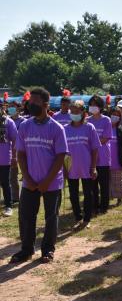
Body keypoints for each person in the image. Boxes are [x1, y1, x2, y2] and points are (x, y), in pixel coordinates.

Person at [10, 88, 67, 264]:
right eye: (29, 101)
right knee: (26, 216)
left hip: (51, 182)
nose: (30, 104)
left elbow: (60, 157)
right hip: (29, 182)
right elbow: (20, 154)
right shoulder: (25, 126)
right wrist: (27, 178)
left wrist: (47, 181)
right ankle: (26, 250)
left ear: (45, 104)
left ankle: (47, 250)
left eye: (34, 102)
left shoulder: (56, 128)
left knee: (51, 217)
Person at [64, 100, 100, 228]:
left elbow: (95, 149)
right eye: (71, 111)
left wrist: (94, 167)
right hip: (71, 167)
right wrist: (64, 168)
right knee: (73, 194)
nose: (73, 114)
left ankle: (87, 219)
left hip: (87, 166)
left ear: (83, 112)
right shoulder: (65, 129)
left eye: (76, 112)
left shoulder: (89, 128)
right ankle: (78, 217)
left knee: (87, 193)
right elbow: (63, 152)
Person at [87, 95, 112, 214]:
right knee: (92, 184)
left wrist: (93, 144)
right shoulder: (87, 120)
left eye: (95, 105)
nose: (92, 107)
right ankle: (94, 205)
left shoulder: (106, 120)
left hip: (103, 157)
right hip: (91, 158)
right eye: (91, 105)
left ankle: (104, 206)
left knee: (104, 184)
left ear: (100, 107)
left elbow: (106, 137)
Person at [109, 106, 122, 206]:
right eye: (113, 114)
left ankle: (119, 198)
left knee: (118, 180)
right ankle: (108, 197)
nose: (115, 117)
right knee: (107, 181)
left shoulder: (121, 130)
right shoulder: (105, 128)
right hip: (105, 160)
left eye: (117, 115)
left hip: (118, 160)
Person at [0, 106, 18, 216]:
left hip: (4, 158)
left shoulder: (9, 122)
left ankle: (8, 206)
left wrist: (14, 157)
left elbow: (15, 140)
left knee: (5, 183)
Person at [6, 101, 25, 204]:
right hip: (11, 150)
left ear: (19, 108)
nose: (11, 109)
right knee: (13, 175)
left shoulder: (24, 122)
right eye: (9, 107)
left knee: (25, 173)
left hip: (23, 151)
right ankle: (15, 196)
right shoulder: (6, 121)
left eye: (13, 107)